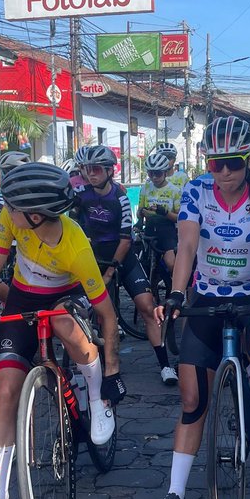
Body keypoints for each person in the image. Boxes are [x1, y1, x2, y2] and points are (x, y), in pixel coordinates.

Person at [146, 116, 250, 499]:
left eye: (233, 163)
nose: (224, 172)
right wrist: (176, 294)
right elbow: (187, 244)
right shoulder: (196, 190)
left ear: (247, 160)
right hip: (207, 296)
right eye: (216, 163)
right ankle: (175, 494)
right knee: (192, 401)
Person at [0, 163, 121, 499]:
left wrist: (112, 376)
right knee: (6, 390)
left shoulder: (75, 244)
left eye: (14, 205)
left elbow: (109, 317)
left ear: (35, 215)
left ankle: (95, 398)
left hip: (65, 297)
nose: (6, 208)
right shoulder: (11, 216)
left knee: (64, 324)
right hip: (23, 297)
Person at [71, 144, 173, 386]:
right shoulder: (81, 194)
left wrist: (111, 271)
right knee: (90, 312)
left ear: (109, 171)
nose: (90, 173)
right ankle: (94, 366)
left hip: (121, 256)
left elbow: (126, 240)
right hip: (93, 256)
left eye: (95, 169)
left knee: (147, 308)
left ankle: (165, 365)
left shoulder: (120, 198)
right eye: (86, 169)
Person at [138, 149, 181, 280]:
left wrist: (165, 212)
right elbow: (139, 211)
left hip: (167, 232)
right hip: (150, 230)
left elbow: (180, 218)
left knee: (171, 263)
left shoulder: (175, 191)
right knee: (141, 265)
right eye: (151, 174)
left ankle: (176, 289)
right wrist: (141, 216)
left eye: (157, 174)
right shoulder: (145, 188)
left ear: (165, 172)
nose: (154, 177)